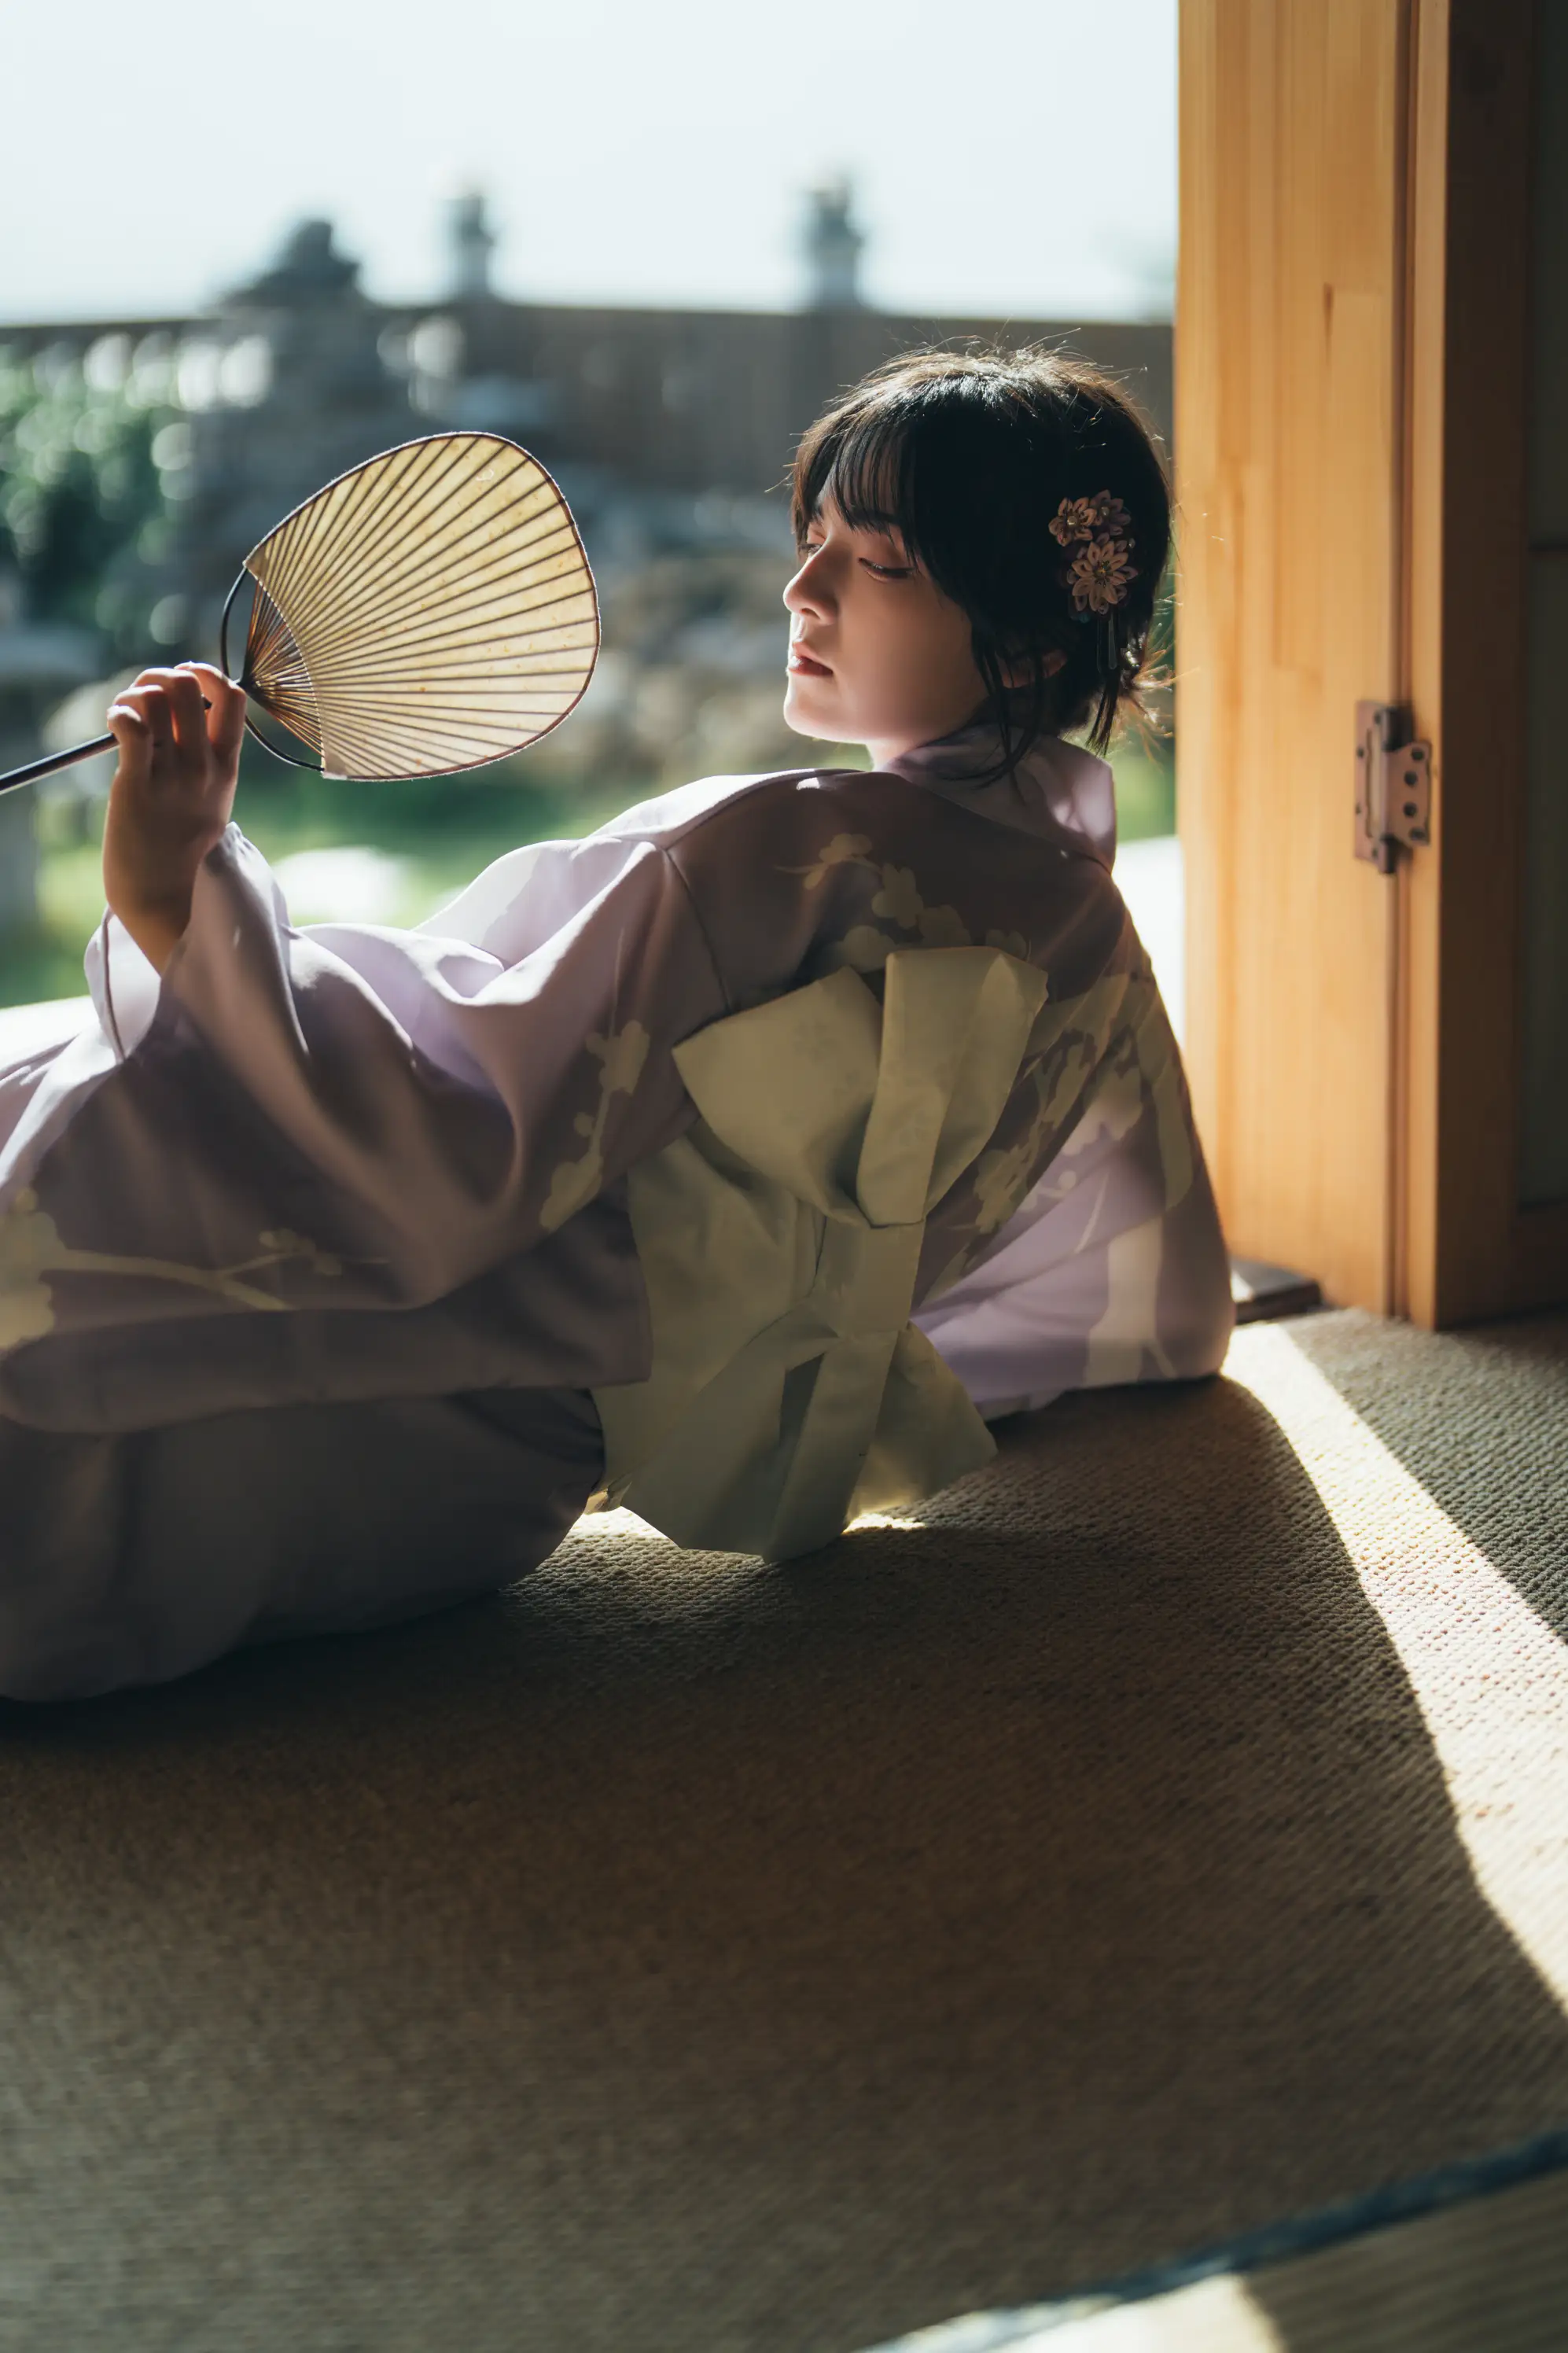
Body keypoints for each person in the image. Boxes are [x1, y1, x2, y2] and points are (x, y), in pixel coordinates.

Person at [0, 349, 1232, 1704]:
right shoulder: (1082, 929)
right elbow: (1155, 1289)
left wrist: (185, 895)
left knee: (59, 1111)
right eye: (808, 540)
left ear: (1032, 639)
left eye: (874, 563)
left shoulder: (778, 853)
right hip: (481, 1494)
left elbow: (455, 1138)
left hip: (356, 1382)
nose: (799, 590)